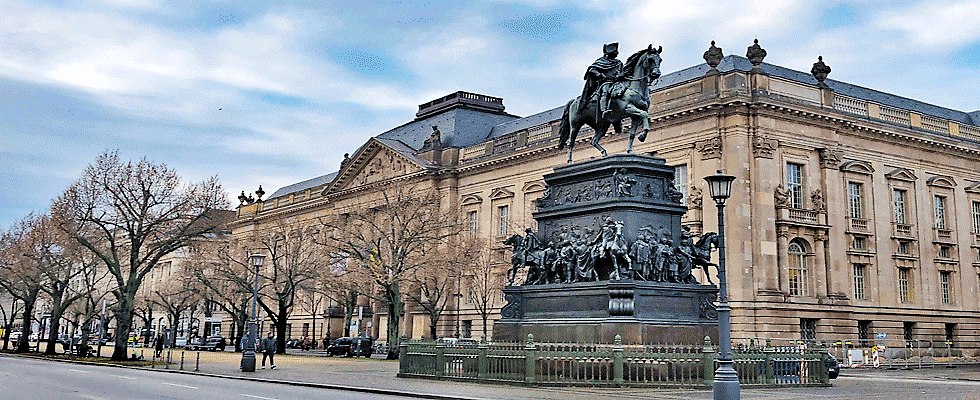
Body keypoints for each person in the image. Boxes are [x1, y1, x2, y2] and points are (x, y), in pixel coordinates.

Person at [580, 42, 625, 120]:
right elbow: (592, 70)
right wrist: (600, 75)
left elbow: (622, 72)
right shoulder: (602, 61)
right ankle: (604, 109)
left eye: (616, 53)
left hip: (616, 82)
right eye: (614, 53)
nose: (616, 54)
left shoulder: (619, 63)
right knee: (606, 91)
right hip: (606, 82)